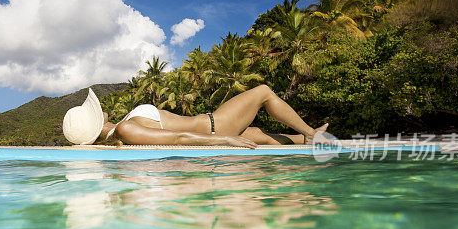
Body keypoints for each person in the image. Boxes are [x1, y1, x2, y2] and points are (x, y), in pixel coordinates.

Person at [62, 86, 331, 148]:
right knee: (262, 92)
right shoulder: (125, 129)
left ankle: (305, 140)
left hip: (216, 127)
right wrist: (225, 139)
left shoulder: (123, 127)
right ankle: (310, 132)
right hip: (216, 126)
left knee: (260, 135)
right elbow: (176, 137)